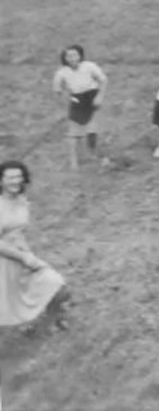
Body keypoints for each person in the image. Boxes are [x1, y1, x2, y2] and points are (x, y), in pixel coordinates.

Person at [0, 160, 69, 330]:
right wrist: (23, 257)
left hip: (22, 256)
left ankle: (52, 323)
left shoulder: (22, 201)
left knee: (56, 284)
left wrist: (27, 253)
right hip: (5, 259)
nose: (15, 181)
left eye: (19, 177)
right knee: (6, 306)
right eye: (10, 178)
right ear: (1, 180)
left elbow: (18, 231)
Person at [52, 44, 108, 170]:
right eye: (68, 56)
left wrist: (99, 97)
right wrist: (61, 108)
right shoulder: (61, 73)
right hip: (77, 100)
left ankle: (92, 154)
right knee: (73, 132)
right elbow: (57, 91)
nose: (72, 58)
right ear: (64, 58)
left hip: (92, 97)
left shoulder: (89, 66)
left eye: (74, 55)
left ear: (80, 55)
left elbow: (103, 80)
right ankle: (73, 161)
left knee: (92, 130)